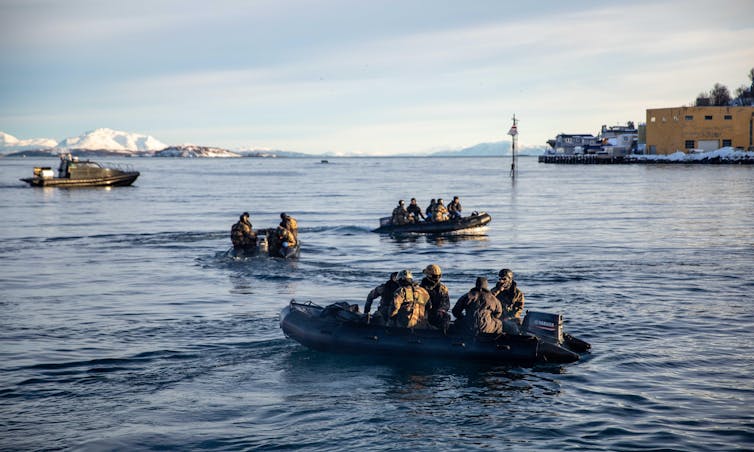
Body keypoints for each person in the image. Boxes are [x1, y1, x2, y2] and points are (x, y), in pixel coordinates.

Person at [419, 264, 451, 333]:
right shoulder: (421, 288)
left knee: (446, 316)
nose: (437, 278)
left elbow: (446, 303)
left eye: (439, 276)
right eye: (435, 276)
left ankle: (443, 334)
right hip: (424, 313)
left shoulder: (443, 289)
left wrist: (441, 310)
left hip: (437, 313)